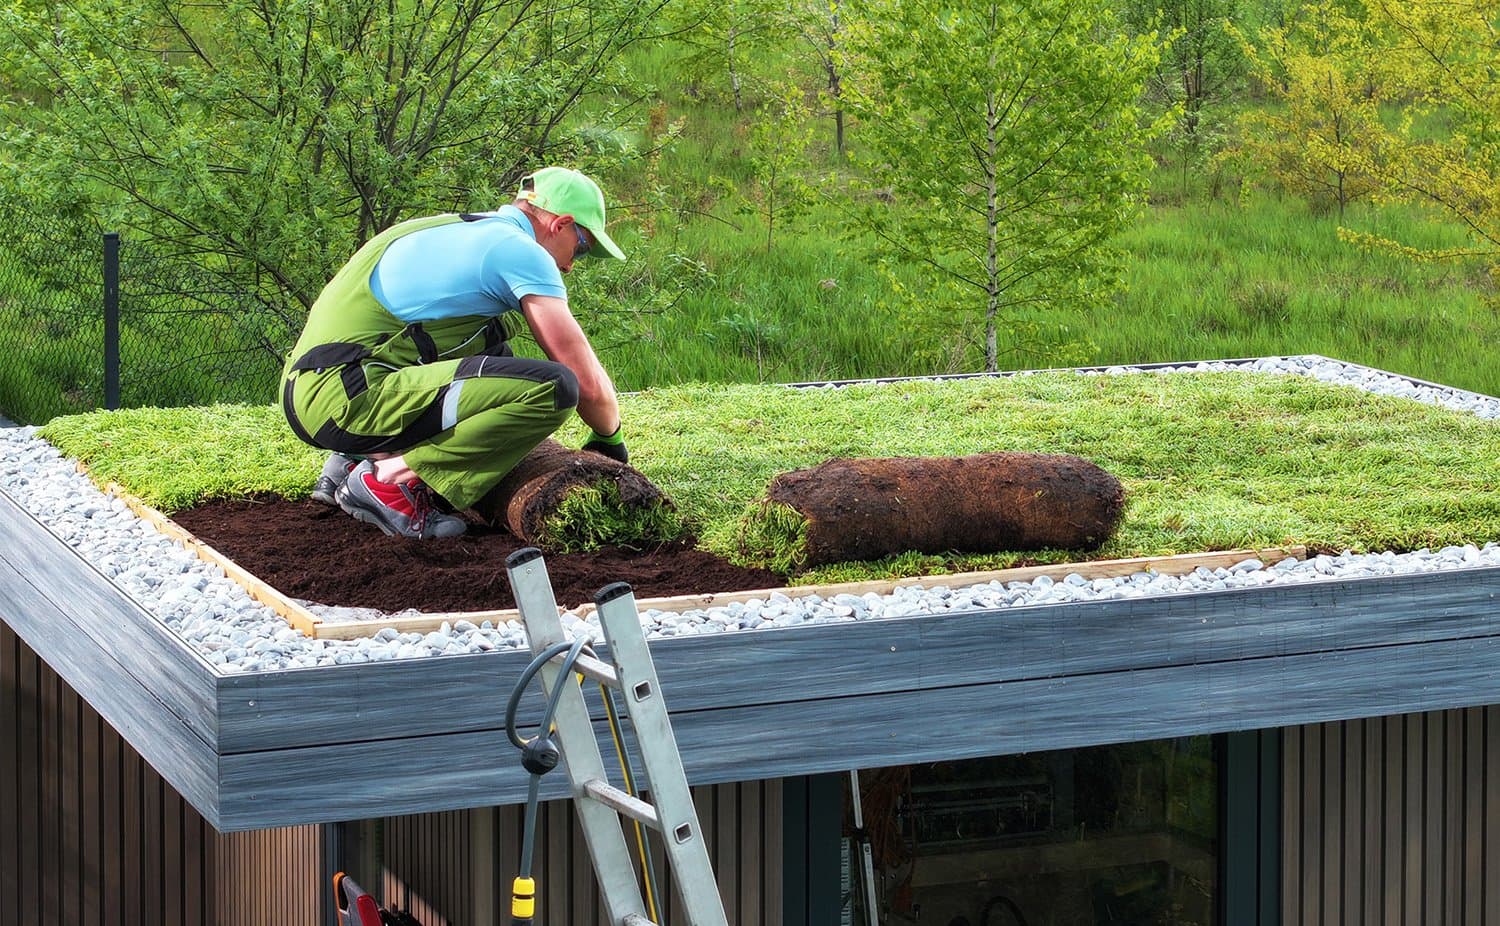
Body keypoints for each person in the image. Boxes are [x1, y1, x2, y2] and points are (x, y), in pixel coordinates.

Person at [281, 166, 629, 539]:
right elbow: (585, 382)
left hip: (315, 390)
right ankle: (389, 481)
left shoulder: (443, 229)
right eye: (583, 247)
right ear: (560, 223)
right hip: (348, 400)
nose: (572, 265)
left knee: (496, 349)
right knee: (554, 388)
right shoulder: (521, 252)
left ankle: (350, 460)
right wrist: (610, 440)